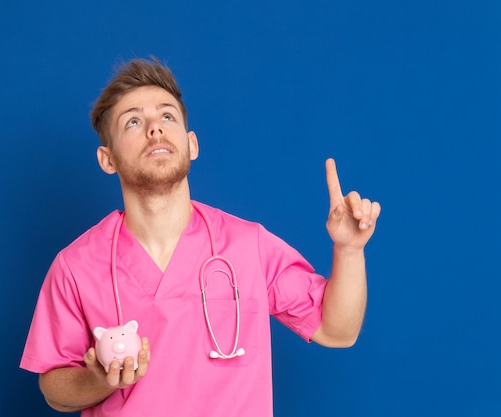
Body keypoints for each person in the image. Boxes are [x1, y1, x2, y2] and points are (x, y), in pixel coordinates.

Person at [20, 57, 381, 417]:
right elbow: (55, 389)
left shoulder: (248, 246)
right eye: (133, 121)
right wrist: (102, 380)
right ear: (107, 159)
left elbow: (338, 331)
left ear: (192, 144)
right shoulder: (76, 265)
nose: (155, 130)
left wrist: (349, 250)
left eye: (167, 117)